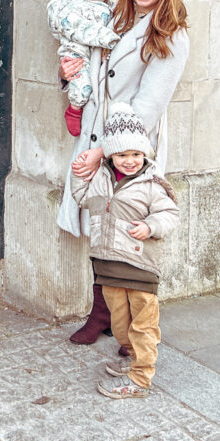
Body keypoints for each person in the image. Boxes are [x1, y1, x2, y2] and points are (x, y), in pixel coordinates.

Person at [57, 0, 189, 347]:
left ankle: (130, 331)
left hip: (129, 149)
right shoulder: (117, 19)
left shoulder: (171, 34)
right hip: (96, 133)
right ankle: (104, 315)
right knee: (100, 224)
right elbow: (93, 75)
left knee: (126, 233)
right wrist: (68, 74)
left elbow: (148, 108)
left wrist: (105, 151)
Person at [71, 102, 180, 398]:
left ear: (144, 153)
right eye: (122, 154)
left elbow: (170, 214)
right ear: (110, 155)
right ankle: (132, 359)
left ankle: (141, 379)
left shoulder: (152, 183)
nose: (129, 161)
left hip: (140, 265)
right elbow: (81, 197)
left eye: (135, 154)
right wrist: (80, 171)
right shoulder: (102, 178)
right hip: (108, 266)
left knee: (143, 325)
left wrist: (150, 226)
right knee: (120, 323)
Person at [46, 0, 129, 136]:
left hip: (111, 105)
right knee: (82, 83)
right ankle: (74, 109)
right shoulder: (75, 7)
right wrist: (110, 39)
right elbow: (78, 27)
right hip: (76, 51)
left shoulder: (113, 13)